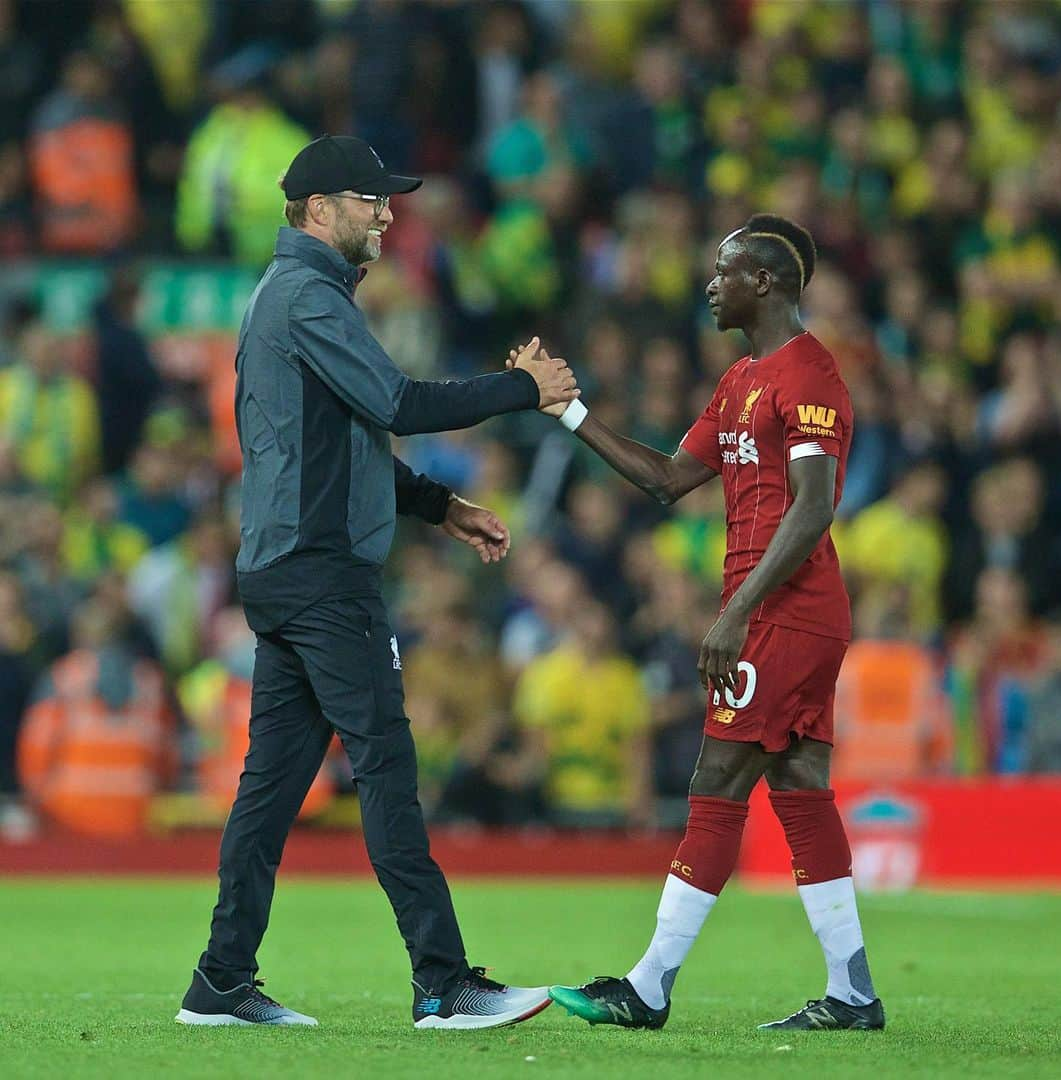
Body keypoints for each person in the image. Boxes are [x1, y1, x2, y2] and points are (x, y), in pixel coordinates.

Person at [176, 135, 578, 1030]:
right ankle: (442, 982)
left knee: (272, 789)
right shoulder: (308, 299)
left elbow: (343, 442)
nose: (387, 213)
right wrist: (521, 388)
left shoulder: (287, 301)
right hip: (323, 576)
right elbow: (397, 405)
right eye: (370, 199)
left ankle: (219, 980)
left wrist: (440, 506)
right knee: (387, 765)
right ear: (319, 210)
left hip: (285, 569)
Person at [525, 215, 886, 1031]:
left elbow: (814, 507)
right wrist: (571, 413)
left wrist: (738, 610)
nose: (710, 282)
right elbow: (665, 478)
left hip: (786, 611)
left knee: (717, 781)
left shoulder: (812, 374)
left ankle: (648, 987)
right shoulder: (739, 382)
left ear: (766, 282)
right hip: (777, 611)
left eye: (725, 270)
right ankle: (854, 991)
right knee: (797, 787)